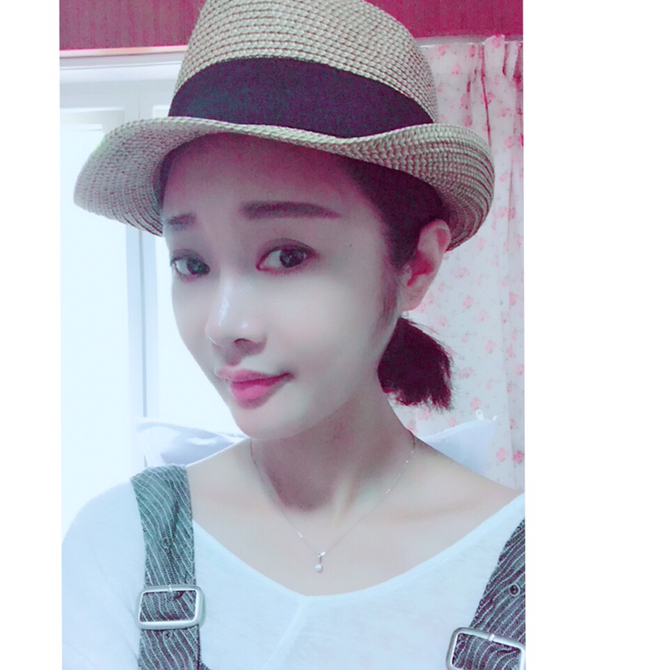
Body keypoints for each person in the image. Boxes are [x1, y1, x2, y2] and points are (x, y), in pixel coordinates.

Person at [64, 1, 524, 668]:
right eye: (191, 263)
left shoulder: (525, 565)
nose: (224, 326)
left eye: (286, 256)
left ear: (417, 266)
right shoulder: (118, 547)